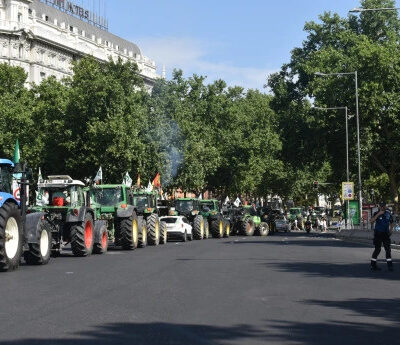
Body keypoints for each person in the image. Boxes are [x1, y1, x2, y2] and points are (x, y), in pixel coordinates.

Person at [370, 202, 394, 271]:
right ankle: (373, 265)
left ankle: (390, 266)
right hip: (378, 234)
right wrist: (378, 214)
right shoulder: (376, 213)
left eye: (384, 206)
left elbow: (392, 223)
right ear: (379, 207)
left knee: (388, 250)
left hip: (386, 234)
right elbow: (371, 221)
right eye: (382, 206)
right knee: (378, 249)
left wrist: (391, 230)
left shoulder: (388, 213)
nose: (383, 208)